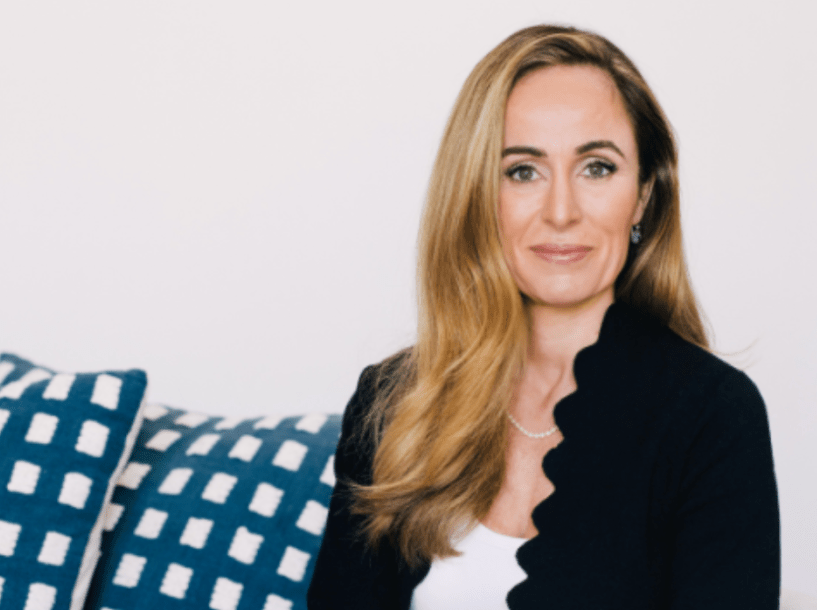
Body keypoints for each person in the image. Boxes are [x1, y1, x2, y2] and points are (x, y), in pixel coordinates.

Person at [307, 24, 780, 610]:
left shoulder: (712, 417)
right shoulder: (395, 401)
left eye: (597, 168)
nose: (561, 212)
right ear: (478, 196)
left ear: (642, 195)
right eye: (523, 171)